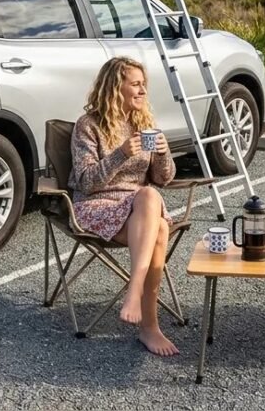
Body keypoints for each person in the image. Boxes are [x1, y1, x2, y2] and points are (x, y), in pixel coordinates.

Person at [69, 56, 178, 357]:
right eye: (136, 85)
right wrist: (119, 154)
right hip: (96, 206)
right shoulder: (88, 126)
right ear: (116, 88)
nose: (143, 91)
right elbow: (85, 181)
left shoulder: (144, 124)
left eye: (144, 85)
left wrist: (164, 153)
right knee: (155, 215)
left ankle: (136, 293)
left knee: (151, 202)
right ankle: (149, 324)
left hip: (138, 211)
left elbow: (163, 178)